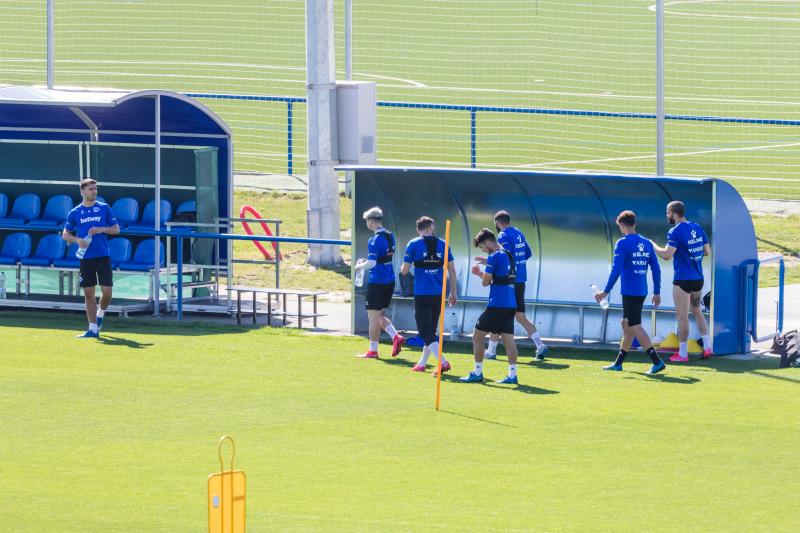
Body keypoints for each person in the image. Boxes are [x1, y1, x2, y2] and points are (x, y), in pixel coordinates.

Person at [594, 210, 666, 374]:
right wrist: (657, 291)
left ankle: (657, 361)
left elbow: (616, 269)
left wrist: (605, 291)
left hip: (630, 292)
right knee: (627, 325)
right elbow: (656, 269)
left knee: (635, 326)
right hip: (641, 291)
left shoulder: (622, 243)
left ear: (622, 225)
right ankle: (618, 363)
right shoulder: (647, 243)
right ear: (634, 224)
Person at [481, 210, 548, 361]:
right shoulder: (519, 233)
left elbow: (505, 257)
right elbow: (528, 252)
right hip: (521, 279)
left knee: (499, 313)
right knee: (520, 316)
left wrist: (489, 262)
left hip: (509, 281)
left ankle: (491, 351)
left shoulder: (503, 235)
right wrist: (519, 264)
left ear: (498, 223)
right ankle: (540, 345)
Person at [651, 200, 713, 362]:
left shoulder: (675, 231)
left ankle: (683, 353)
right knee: (697, 310)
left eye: (668, 212)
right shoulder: (698, 227)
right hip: (698, 278)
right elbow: (706, 251)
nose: (667, 215)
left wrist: (653, 246)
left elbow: (666, 255)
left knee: (682, 316)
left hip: (683, 279)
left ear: (675, 213)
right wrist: (691, 255)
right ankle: (707, 347)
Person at [62, 179, 120, 338]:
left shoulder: (104, 208)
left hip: (102, 255)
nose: (94, 192)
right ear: (82, 192)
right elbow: (65, 234)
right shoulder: (75, 212)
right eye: (91, 189)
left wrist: (102, 229)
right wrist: (77, 240)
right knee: (88, 293)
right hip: (86, 258)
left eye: (95, 189)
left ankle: (100, 316)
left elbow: (116, 229)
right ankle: (92, 329)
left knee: (107, 292)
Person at [460, 228, 520, 384]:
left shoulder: (493, 257)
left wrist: (480, 273)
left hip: (497, 304)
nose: (483, 251)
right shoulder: (508, 254)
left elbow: (486, 282)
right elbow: (503, 277)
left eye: (482, 247)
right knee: (509, 341)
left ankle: (477, 372)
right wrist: (488, 264)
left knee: (477, 336)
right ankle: (513, 375)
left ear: (488, 243)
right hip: (511, 304)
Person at [400, 216, 457, 373]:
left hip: (423, 293)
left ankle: (443, 362)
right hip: (439, 294)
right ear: (431, 227)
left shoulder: (413, 244)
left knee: (424, 332)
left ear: (418, 229)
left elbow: (404, 270)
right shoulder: (444, 244)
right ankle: (422, 364)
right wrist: (454, 291)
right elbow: (452, 269)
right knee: (430, 332)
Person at [354, 207, 404, 358]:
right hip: (389, 280)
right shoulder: (390, 235)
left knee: (373, 317)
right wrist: (367, 261)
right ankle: (396, 336)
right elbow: (381, 258)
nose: (367, 224)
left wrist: (359, 265)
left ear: (370, 221)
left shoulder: (374, 239)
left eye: (367, 221)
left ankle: (373, 351)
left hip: (378, 281)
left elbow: (372, 264)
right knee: (380, 314)